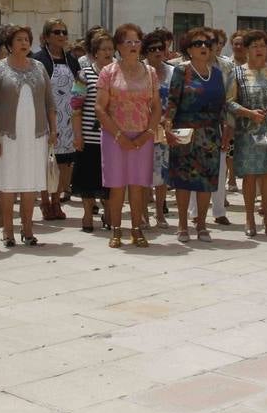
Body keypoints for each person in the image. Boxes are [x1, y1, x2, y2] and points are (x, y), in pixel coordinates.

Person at [0, 25, 55, 247]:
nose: (24, 43)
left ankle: (28, 229)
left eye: (27, 39)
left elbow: (49, 103)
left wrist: (53, 130)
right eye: (19, 40)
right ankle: (8, 230)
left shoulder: (39, 67)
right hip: (7, 136)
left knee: (30, 182)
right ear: (9, 44)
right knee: (8, 183)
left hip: (35, 136)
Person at [96, 23, 161, 248]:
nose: (133, 45)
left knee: (138, 185)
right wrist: (118, 136)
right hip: (115, 137)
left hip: (143, 135)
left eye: (137, 41)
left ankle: (137, 229)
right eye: (128, 42)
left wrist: (148, 133)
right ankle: (116, 230)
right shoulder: (108, 72)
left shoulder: (150, 72)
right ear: (119, 47)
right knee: (116, 185)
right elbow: (99, 108)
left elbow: (156, 107)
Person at [165, 28, 227, 242]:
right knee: (183, 181)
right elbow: (172, 102)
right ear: (189, 49)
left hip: (210, 134)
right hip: (185, 134)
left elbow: (223, 106)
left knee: (206, 181)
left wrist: (226, 130)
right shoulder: (182, 72)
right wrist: (167, 127)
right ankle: (182, 225)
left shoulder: (217, 74)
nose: (203, 47)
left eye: (207, 44)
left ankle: (201, 224)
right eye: (198, 44)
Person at [227, 30, 267, 237]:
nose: (261, 49)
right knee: (251, 175)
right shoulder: (237, 73)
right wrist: (248, 113)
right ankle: (249, 218)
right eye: (255, 46)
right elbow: (229, 102)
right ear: (246, 50)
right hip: (248, 131)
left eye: (263, 45)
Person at [32, 19, 79, 221]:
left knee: (63, 164)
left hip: (68, 119)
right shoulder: (38, 60)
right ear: (46, 36)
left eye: (64, 32)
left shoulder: (71, 59)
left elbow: (80, 86)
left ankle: (57, 199)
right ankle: (45, 202)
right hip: (47, 118)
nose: (61, 35)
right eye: (56, 32)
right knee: (45, 162)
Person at [72, 31, 113, 232]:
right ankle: (88, 214)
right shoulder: (84, 74)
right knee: (87, 179)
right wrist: (78, 135)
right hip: (89, 137)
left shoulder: (118, 74)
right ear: (95, 53)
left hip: (112, 137)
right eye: (104, 49)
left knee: (109, 180)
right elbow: (75, 106)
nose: (108, 52)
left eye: (111, 49)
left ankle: (109, 213)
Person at [144, 32, 175, 227]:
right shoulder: (139, 71)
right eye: (152, 48)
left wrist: (169, 119)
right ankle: (143, 214)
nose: (157, 52)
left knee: (162, 172)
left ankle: (160, 212)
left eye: (160, 48)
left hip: (164, 127)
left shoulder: (173, 72)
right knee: (143, 172)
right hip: (143, 127)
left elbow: (176, 99)